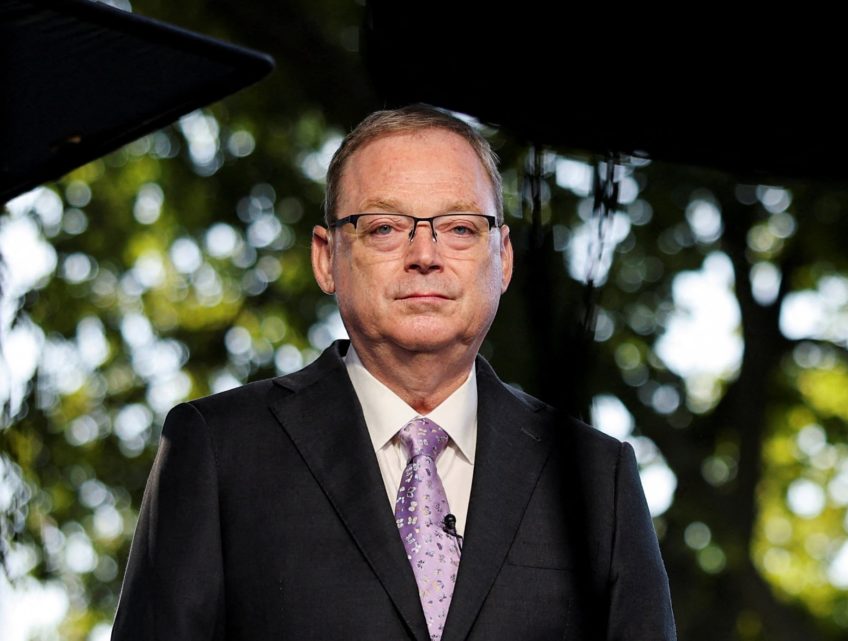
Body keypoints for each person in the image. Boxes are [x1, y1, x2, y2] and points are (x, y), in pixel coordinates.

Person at [111, 104, 676, 640]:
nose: (425, 254)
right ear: (326, 257)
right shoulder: (219, 449)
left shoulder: (598, 479)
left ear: (503, 257)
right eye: (384, 227)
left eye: (460, 228)